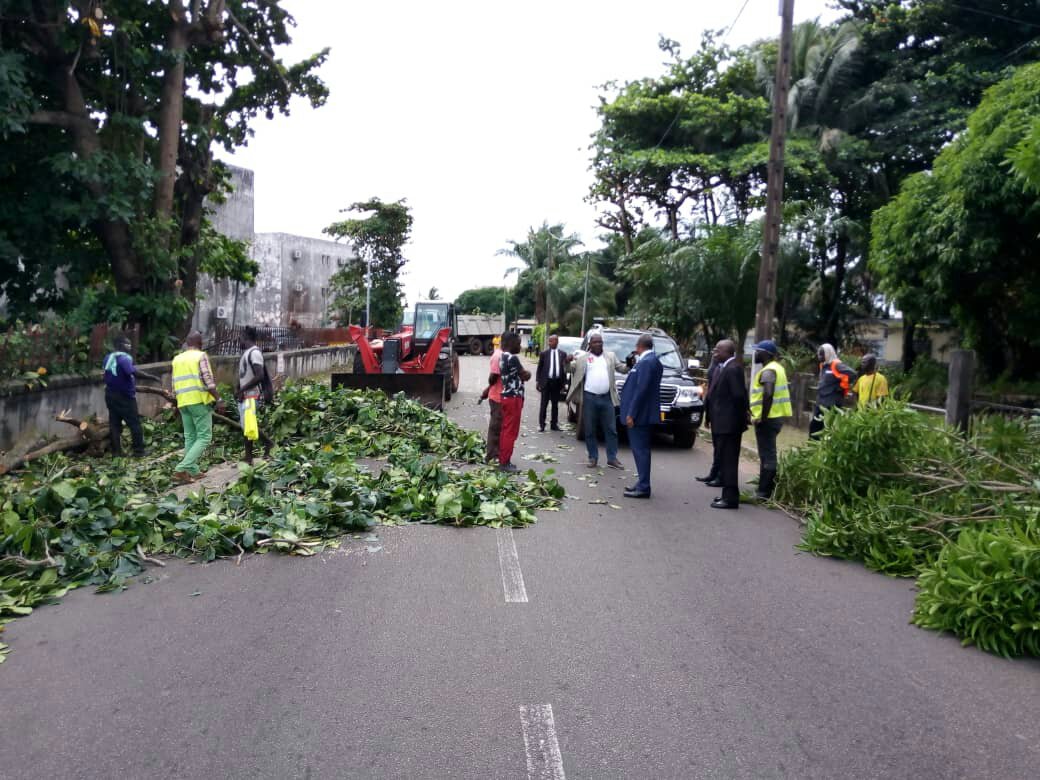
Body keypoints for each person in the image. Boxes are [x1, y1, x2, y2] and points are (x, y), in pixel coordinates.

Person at [566, 332, 626, 470]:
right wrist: (566, 361)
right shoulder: (583, 359)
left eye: (600, 342)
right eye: (595, 342)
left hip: (607, 398)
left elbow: (622, 369)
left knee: (611, 429)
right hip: (589, 398)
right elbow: (569, 369)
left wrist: (630, 364)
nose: (599, 344)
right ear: (590, 345)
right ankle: (593, 457)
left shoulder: (610, 356)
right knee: (590, 430)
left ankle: (612, 458)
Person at [172, 332, 224, 484]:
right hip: (198, 401)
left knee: (190, 436)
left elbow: (174, 383)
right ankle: (182, 468)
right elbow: (207, 380)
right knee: (204, 437)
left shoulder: (177, 359)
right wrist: (219, 399)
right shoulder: (200, 356)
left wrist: (175, 404)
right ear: (200, 343)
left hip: (183, 402)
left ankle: (193, 471)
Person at [102, 332, 161, 458]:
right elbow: (132, 372)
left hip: (110, 395)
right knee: (134, 423)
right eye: (128, 344)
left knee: (114, 424)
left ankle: (116, 453)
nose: (130, 346)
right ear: (120, 345)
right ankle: (139, 451)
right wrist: (152, 377)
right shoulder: (124, 358)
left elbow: (108, 375)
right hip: (125, 397)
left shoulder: (108, 357)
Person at [620, 334, 664, 499]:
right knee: (641, 450)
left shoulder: (646, 362)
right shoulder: (652, 360)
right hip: (644, 413)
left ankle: (644, 486)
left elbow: (641, 390)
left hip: (640, 415)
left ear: (639, 346)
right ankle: (641, 483)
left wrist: (631, 413)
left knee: (641, 450)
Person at [707, 339, 748, 510]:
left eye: (718, 351)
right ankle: (726, 495)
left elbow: (739, 396)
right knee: (725, 461)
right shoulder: (726, 367)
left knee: (729, 462)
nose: (715, 354)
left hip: (729, 425)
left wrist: (737, 420)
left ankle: (731, 499)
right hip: (724, 424)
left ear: (727, 352)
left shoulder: (732, 369)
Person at [749, 340, 792, 500]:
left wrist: (763, 418)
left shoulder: (769, 371)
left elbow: (768, 394)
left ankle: (764, 493)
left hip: (768, 419)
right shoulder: (777, 368)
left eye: (758, 351)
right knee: (766, 454)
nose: (756, 354)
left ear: (766, 354)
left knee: (768, 455)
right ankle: (764, 489)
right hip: (774, 417)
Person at [235, 326, 272, 464]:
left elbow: (259, 375)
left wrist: (242, 389)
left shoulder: (255, 353)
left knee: (248, 426)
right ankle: (267, 443)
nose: (238, 340)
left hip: (252, 395)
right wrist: (238, 388)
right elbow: (244, 375)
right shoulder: (246, 353)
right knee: (248, 426)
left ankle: (249, 457)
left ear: (245, 337)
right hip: (245, 395)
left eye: (239, 337)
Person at [497, 332, 531, 472]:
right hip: (513, 398)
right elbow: (525, 375)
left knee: (506, 430)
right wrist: (527, 374)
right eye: (518, 343)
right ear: (511, 344)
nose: (520, 346)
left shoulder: (502, 357)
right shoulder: (513, 358)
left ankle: (503, 460)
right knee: (511, 431)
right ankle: (505, 463)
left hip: (506, 396)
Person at [809, 343, 857, 439]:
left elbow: (852, 374)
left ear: (828, 353)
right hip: (821, 402)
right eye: (819, 354)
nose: (819, 356)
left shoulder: (836, 364)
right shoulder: (823, 365)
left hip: (831, 404)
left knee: (828, 429)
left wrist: (841, 387)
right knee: (814, 427)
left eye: (822, 354)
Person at [695, 344, 723, 485]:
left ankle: (719, 475)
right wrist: (708, 416)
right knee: (717, 447)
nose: (714, 354)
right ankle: (714, 473)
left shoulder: (726, 369)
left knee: (721, 448)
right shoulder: (715, 367)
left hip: (721, 414)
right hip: (713, 412)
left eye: (717, 351)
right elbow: (710, 394)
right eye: (714, 351)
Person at [536, 333, 569, 432]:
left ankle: (554, 424)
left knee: (555, 405)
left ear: (557, 342)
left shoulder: (562, 354)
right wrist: (538, 381)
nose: (550, 342)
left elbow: (564, 370)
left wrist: (563, 384)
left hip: (557, 382)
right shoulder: (544, 354)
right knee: (544, 404)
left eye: (552, 341)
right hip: (546, 382)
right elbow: (540, 368)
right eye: (549, 341)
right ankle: (542, 425)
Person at [479, 343, 504, 463]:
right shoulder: (498, 356)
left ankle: (497, 453)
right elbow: (493, 377)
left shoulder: (504, 355)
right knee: (495, 427)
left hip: (501, 397)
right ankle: (490, 455)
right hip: (497, 397)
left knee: (500, 427)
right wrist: (488, 389)